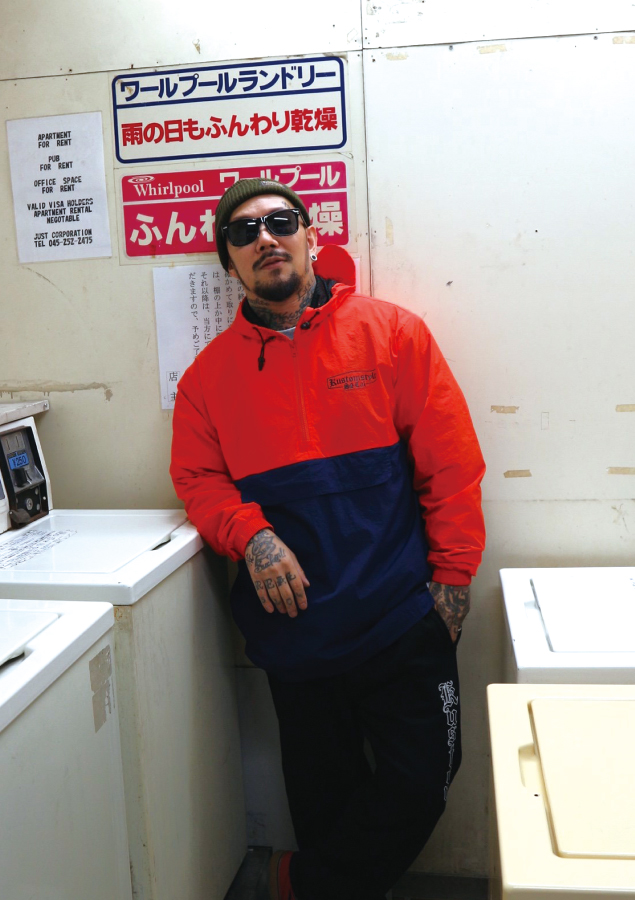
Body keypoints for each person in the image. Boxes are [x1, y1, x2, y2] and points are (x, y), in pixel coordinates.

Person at [170, 178, 486, 900]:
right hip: (296, 634)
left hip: (401, 617)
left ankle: (294, 883)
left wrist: (453, 578)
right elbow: (197, 479)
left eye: (281, 222)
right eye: (243, 232)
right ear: (229, 262)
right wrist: (251, 536)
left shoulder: (393, 333)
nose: (265, 238)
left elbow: (451, 466)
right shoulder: (207, 380)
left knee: (424, 780)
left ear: (311, 237)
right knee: (323, 805)